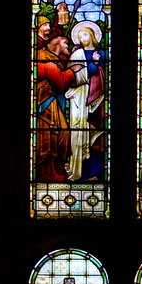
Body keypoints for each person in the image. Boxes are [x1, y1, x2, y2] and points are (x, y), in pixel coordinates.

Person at [36, 28, 86, 182]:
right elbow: (60, 83)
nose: (68, 45)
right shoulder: (44, 57)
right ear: (56, 40)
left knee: (61, 134)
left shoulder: (53, 57)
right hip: (45, 104)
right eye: (66, 42)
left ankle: (55, 171)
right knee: (51, 135)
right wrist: (72, 71)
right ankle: (47, 174)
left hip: (52, 102)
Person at [65, 21, 105, 181]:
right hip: (81, 99)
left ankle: (97, 172)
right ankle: (81, 171)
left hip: (100, 97)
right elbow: (73, 77)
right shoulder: (77, 55)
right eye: (80, 35)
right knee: (80, 133)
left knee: (98, 135)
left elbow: (104, 72)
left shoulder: (102, 53)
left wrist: (98, 64)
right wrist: (94, 64)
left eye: (85, 34)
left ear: (92, 35)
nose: (82, 37)